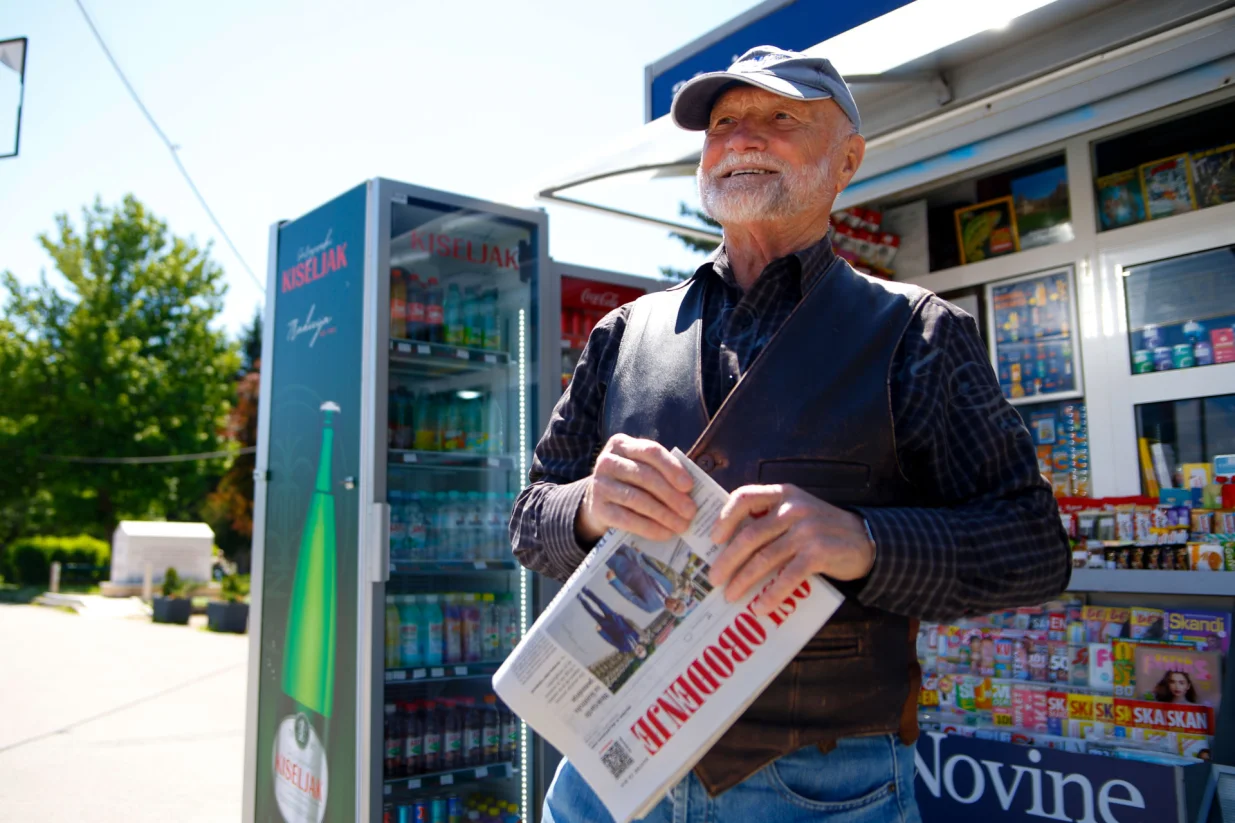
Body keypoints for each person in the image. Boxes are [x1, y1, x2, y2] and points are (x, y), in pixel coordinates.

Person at [511, 45, 1071, 823]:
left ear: (847, 160)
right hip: (605, 776)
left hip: (816, 790)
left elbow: (1034, 546)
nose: (742, 137)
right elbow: (528, 522)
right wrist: (586, 507)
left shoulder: (916, 333)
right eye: (724, 122)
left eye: (779, 118)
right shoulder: (621, 333)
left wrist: (863, 540)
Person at [603, 543, 675, 613]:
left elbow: (630, 597)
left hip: (624, 570)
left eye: (675, 608)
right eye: (678, 604)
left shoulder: (651, 607)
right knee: (610, 538)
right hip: (633, 556)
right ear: (679, 600)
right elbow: (655, 568)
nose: (674, 605)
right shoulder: (669, 586)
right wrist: (642, 554)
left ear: (671, 612)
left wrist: (614, 581)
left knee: (602, 549)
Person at [576, 586, 644, 657]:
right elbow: (630, 624)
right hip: (615, 618)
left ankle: (581, 599)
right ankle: (586, 591)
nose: (639, 650)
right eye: (642, 650)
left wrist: (601, 631)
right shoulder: (637, 636)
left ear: (636, 654)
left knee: (592, 612)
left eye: (639, 653)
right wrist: (621, 616)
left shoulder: (624, 649)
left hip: (608, 627)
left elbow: (611, 641)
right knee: (601, 604)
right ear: (643, 646)